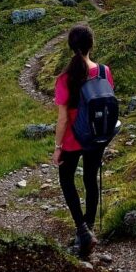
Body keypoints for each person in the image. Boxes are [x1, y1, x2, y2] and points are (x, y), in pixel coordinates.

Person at [53, 24, 113, 259]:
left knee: (67, 180)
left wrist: (57, 148)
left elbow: (63, 118)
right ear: (91, 45)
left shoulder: (65, 78)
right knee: (90, 180)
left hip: (72, 138)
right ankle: (89, 227)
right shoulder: (103, 72)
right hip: (96, 137)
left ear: (71, 47)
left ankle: (82, 229)